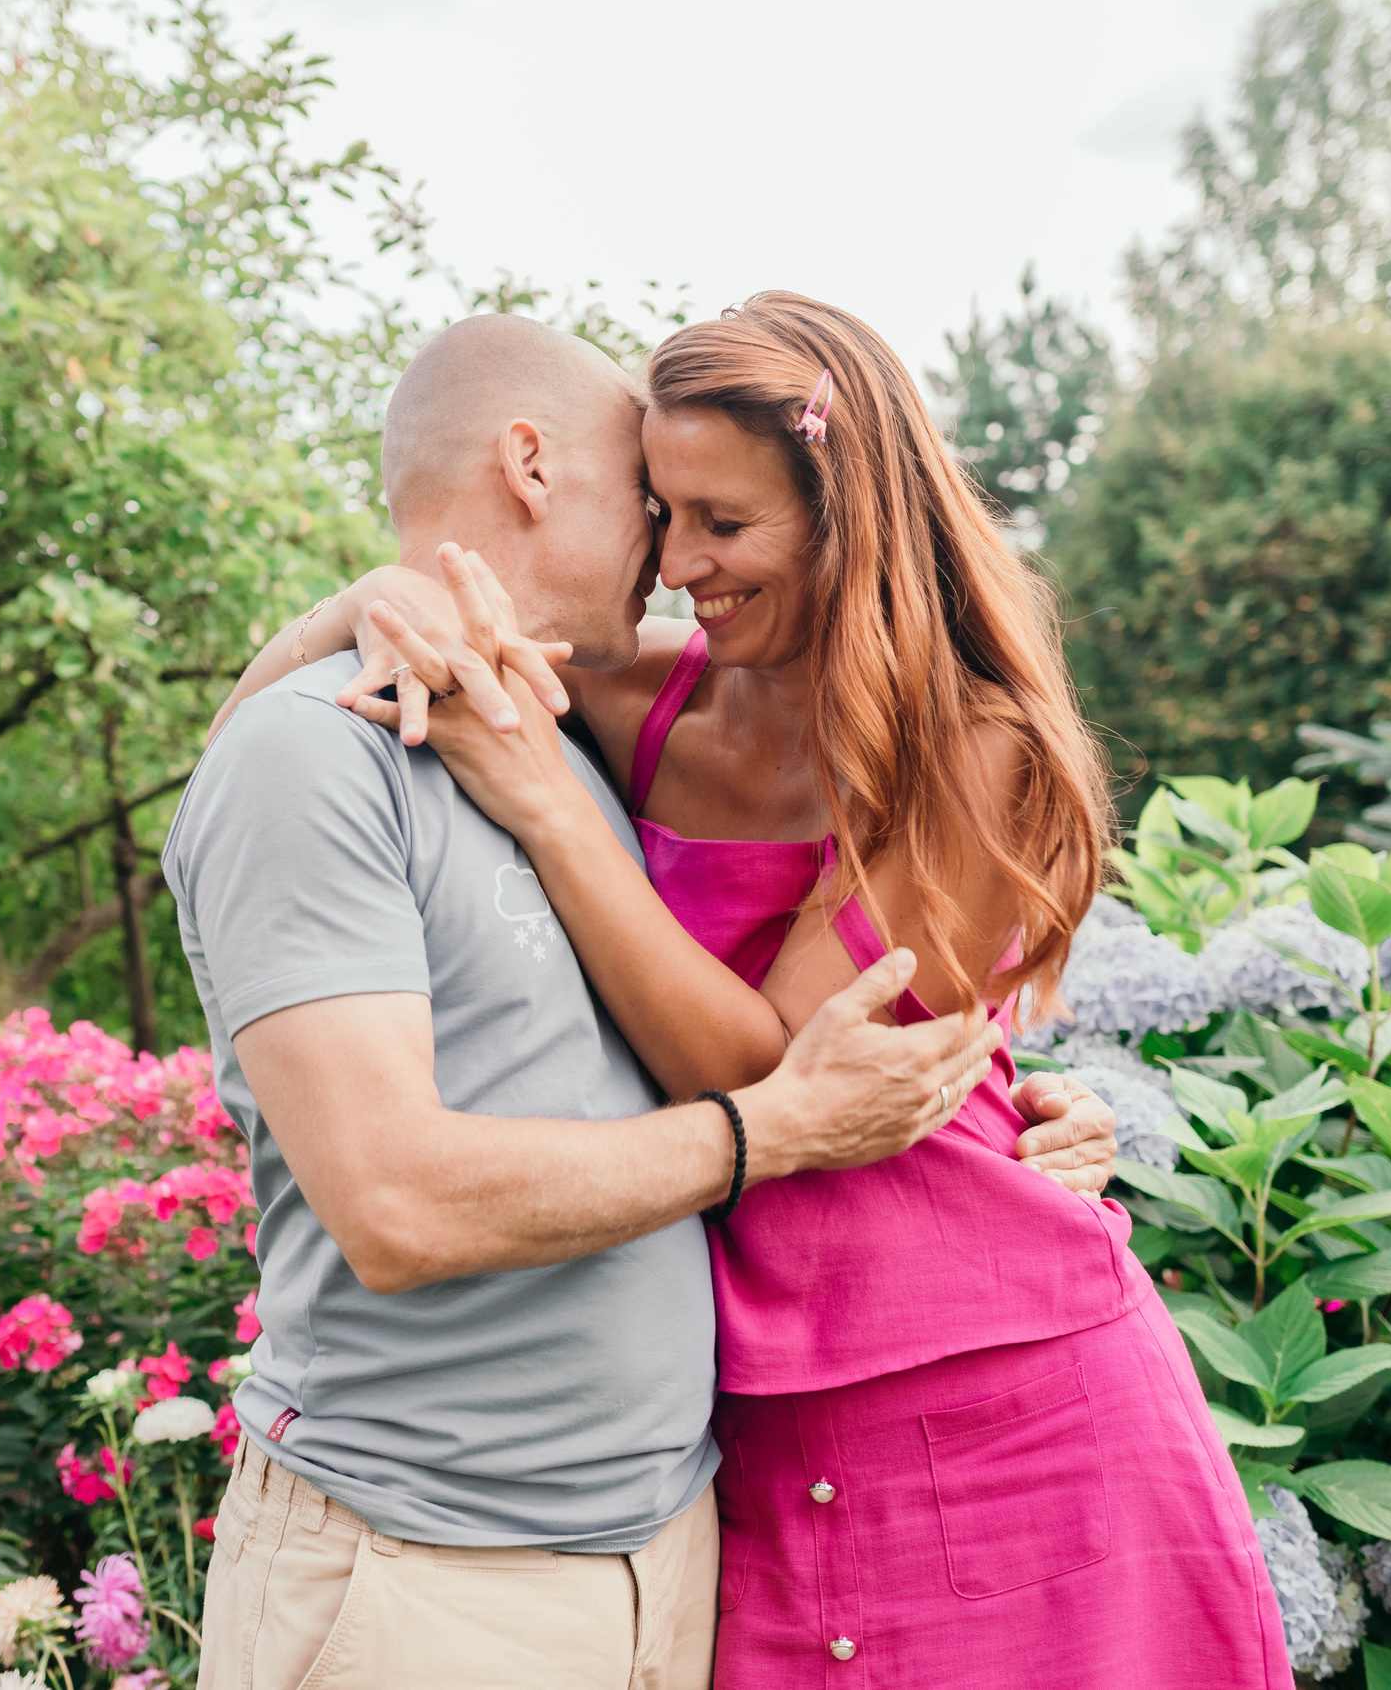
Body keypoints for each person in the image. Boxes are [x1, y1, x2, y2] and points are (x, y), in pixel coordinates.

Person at [228, 297, 1291, 1685]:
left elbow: (779, 1064)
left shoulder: (976, 749)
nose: (677, 567)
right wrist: (368, 597)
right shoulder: (643, 696)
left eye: (722, 524)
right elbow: (255, 748)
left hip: (998, 1381)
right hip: (747, 1424)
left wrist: (549, 806)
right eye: (661, 515)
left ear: (845, 511)